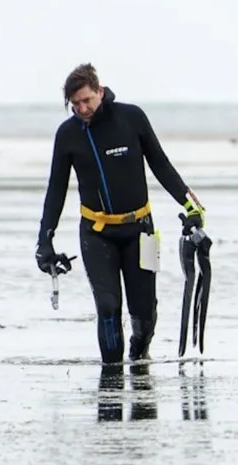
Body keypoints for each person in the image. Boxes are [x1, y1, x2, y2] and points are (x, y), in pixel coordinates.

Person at [37, 64, 203, 365]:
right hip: (96, 233)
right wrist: (44, 241)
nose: (82, 109)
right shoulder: (68, 134)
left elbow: (161, 164)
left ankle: (139, 359)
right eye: (75, 104)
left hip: (142, 231)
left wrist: (191, 206)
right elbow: (56, 190)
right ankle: (111, 377)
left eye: (87, 100)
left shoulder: (132, 118)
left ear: (100, 91)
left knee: (145, 313)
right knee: (107, 306)